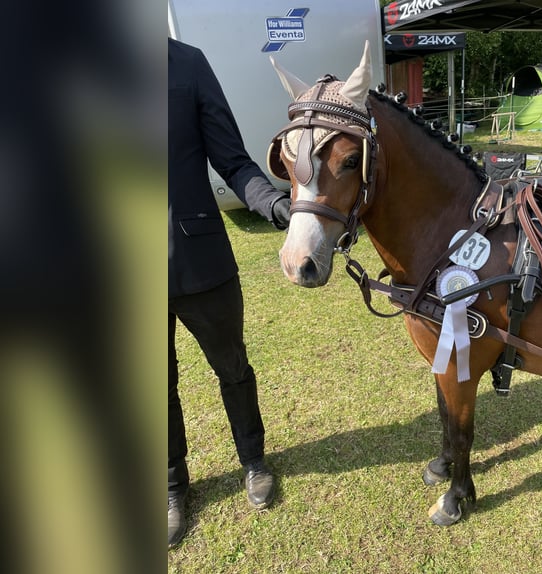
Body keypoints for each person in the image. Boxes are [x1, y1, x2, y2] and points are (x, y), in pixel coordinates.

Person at [168, 37, 291, 548]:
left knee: (233, 368)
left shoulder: (188, 62)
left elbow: (233, 160)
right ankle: (172, 486)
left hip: (200, 260)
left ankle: (254, 462)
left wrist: (276, 204)